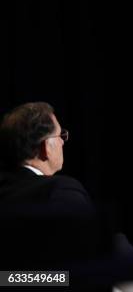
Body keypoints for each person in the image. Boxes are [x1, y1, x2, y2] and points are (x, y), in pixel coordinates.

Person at [0, 102, 101, 267]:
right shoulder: (61, 191)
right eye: (60, 135)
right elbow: (91, 263)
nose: (63, 142)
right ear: (46, 146)